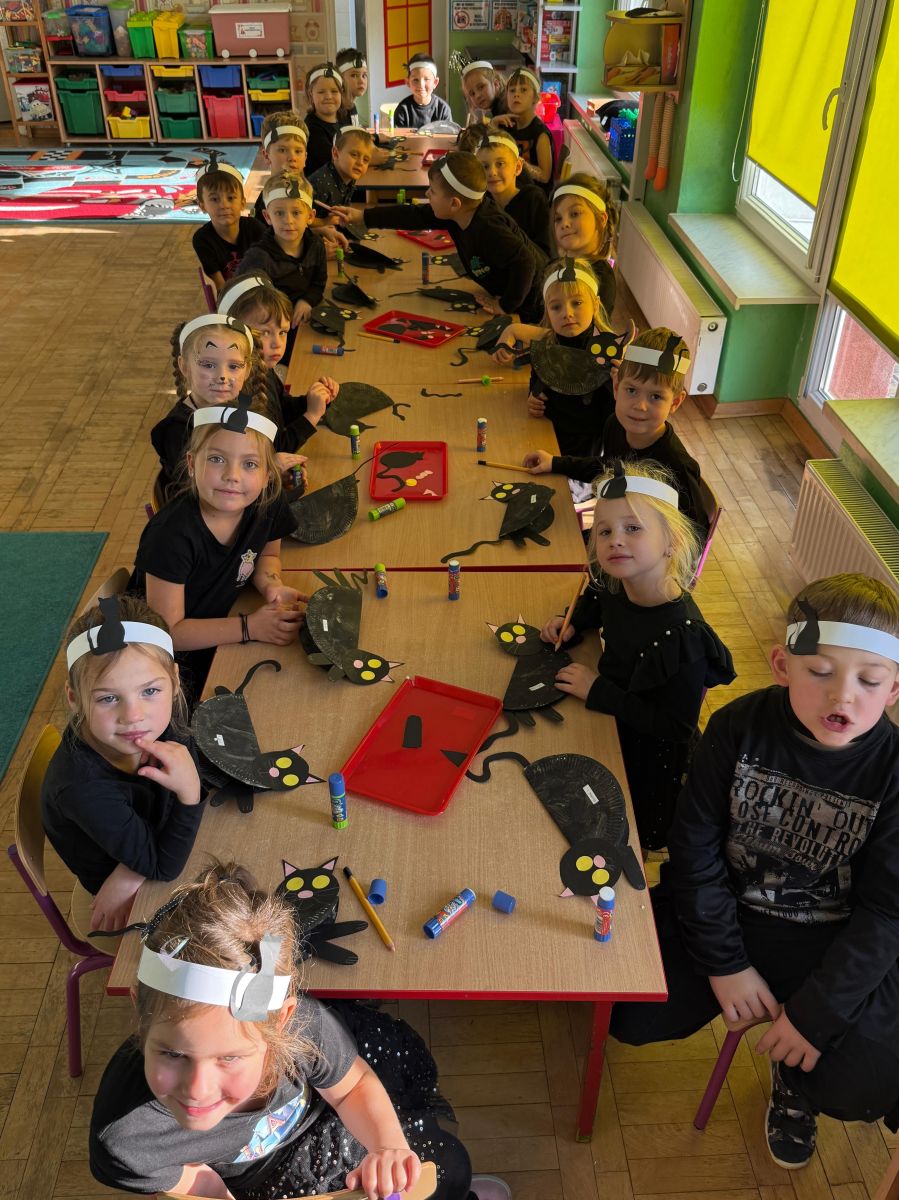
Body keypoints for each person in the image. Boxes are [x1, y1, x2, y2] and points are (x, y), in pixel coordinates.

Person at [610, 573, 899, 1168]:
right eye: (820, 672)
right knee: (624, 1014)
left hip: (830, 938)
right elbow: (693, 850)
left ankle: (794, 1085)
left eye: (869, 681)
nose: (843, 697)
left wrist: (815, 1016)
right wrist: (725, 963)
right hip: (729, 910)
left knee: (860, 1085)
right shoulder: (736, 726)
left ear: (893, 688)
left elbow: (886, 912)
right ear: (782, 665)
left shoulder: (893, 770)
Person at [89, 861, 512, 1199]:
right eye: (172, 1054)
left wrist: (388, 1148)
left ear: (283, 1021)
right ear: (139, 1011)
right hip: (266, 1176)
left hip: (328, 1106)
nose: (197, 1089)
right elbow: (198, 1183)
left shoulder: (304, 1029)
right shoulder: (126, 1140)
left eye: (230, 1057)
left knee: (447, 1170)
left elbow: (351, 1087)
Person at [541, 460, 734, 850]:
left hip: (647, 756)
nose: (615, 540)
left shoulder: (683, 637)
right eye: (604, 531)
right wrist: (573, 621)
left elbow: (674, 727)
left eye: (633, 529)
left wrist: (598, 691)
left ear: (671, 542)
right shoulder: (618, 579)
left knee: (620, 830)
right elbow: (598, 600)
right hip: (610, 721)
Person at [41, 595, 203, 937]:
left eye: (149, 691)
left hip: (142, 859)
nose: (133, 715)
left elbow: (191, 761)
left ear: (174, 682)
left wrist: (132, 870)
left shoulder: (157, 721)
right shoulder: (81, 788)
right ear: (74, 698)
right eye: (108, 698)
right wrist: (190, 793)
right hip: (134, 900)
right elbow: (163, 867)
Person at [133, 402, 304, 701]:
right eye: (216, 459)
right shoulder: (170, 537)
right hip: (171, 666)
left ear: (267, 475)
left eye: (249, 464)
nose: (232, 475)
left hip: (223, 628)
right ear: (191, 463)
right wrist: (249, 628)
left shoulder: (268, 502)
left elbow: (267, 556)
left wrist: (270, 584)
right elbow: (167, 633)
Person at [521, 327, 709, 537]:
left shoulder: (677, 466)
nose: (640, 406)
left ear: (675, 402)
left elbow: (697, 534)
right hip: (616, 525)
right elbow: (607, 468)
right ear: (617, 387)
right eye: (632, 390)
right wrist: (555, 463)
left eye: (655, 397)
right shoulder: (615, 425)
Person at [333, 151, 547, 322]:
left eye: (432, 191)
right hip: (514, 293)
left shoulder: (488, 228)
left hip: (534, 303)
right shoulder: (458, 214)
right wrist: (363, 216)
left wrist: (505, 305)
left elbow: (525, 262)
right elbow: (413, 215)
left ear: (454, 203)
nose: (427, 195)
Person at [500, 258, 615, 457]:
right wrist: (533, 396)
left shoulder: (607, 354)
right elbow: (538, 378)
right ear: (547, 311)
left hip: (585, 449)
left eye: (577, 303)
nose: (567, 313)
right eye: (556, 307)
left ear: (596, 305)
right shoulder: (546, 344)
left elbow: (612, 416)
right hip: (545, 434)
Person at [151, 313, 271, 501]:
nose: (222, 376)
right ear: (184, 366)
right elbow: (203, 495)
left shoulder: (242, 412)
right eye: (208, 365)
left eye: (234, 366)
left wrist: (273, 473)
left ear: (247, 370)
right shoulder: (177, 430)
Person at [217, 273, 337, 457]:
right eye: (264, 333)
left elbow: (283, 408)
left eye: (283, 332)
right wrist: (311, 416)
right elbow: (274, 451)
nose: (277, 344)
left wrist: (314, 400)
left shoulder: (262, 367)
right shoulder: (239, 395)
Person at [237, 172, 327, 352]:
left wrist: (307, 300)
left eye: (296, 213)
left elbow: (318, 284)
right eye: (279, 213)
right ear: (267, 217)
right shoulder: (258, 258)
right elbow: (245, 309)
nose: (288, 220)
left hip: (302, 324)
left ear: (310, 216)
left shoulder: (316, 246)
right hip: (269, 339)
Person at [457, 124, 550, 257]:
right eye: (485, 166)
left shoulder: (533, 200)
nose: (492, 172)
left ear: (518, 167)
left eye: (500, 164)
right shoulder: (482, 201)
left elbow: (545, 255)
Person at [192, 161, 264, 295]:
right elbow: (221, 287)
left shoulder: (255, 228)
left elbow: (270, 269)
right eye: (214, 199)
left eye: (230, 198)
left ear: (242, 202)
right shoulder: (202, 239)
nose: (224, 205)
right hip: (231, 298)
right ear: (202, 205)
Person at [551, 174, 618, 316]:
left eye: (575, 214)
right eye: (558, 218)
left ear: (601, 219)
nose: (564, 224)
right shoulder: (553, 267)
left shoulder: (602, 278)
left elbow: (589, 327)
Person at [335, 48, 392, 165]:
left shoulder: (351, 106)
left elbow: (355, 137)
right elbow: (343, 149)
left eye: (364, 75)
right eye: (354, 75)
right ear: (340, 79)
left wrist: (375, 138)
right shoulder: (336, 111)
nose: (361, 80)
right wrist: (368, 158)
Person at [503, 67, 554, 190]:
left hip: (533, 196)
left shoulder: (540, 133)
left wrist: (519, 163)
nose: (516, 94)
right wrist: (493, 125)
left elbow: (545, 176)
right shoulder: (506, 125)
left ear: (536, 98)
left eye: (523, 90)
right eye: (512, 90)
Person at [251, 111, 308, 221]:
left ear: (305, 157)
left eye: (298, 151)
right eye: (282, 150)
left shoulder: (309, 191)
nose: (292, 158)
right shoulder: (267, 203)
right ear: (266, 156)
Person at [308, 126, 374, 208]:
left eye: (366, 160)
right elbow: (300, 215)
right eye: (354, 155)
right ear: (335, 154)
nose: (360, 163)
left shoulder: (349, 177)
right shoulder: (320, 186)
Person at [303, 62, 345, 174]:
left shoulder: (342, 118)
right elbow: (338, 162)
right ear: (311, 95)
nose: (328, 96)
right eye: (321, 92)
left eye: (334, 91)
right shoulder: (310, 128)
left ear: (341, 93)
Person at [394, 52, 452, 130]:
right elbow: (398, 136)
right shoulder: (403, 110)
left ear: (435, 82)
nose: (421, 85)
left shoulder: (443, 109)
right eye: (415, 80)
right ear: (408, 82)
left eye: (426, 79)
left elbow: (448, 135)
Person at [460, 59, 507, 124]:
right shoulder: (491, 112)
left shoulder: (505, 109)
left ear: (496, 84)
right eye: (472, 93)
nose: (477, 96)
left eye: (481, 87)